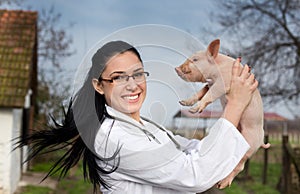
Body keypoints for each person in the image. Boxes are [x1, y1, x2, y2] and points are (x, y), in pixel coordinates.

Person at [16, 40, 257, 194]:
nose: (132, 85)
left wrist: (240, 115)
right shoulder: (113, 137)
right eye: (119, 77)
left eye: (138, 74)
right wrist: (235, 104)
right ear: (99, 86)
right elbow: (194, 175)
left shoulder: (145, 127)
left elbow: (191, 149)